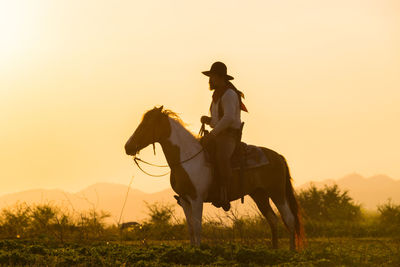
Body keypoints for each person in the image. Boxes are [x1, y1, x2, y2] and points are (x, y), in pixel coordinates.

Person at [200, 61, 248, 211]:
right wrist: (209, 121)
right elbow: (219, 120)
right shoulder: (217, 96)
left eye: (211, 77)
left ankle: (224, 192)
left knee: (221, 157)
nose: (209, 80)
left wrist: (212, 134)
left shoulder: (229, 94)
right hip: (220, 134)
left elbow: (228, 119)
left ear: (220, 77)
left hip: (229, 137)